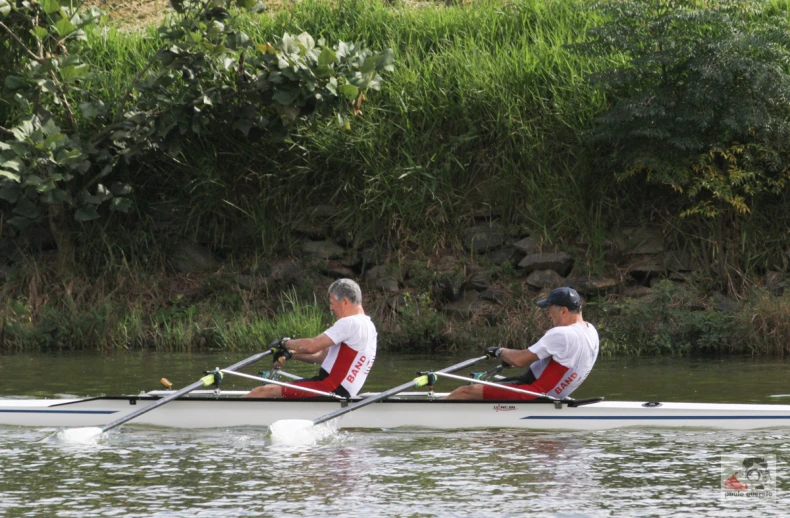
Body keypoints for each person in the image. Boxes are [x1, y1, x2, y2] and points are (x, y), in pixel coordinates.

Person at [445, 287, 598, 400]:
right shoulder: (591, 331)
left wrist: (499, 351)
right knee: (481, 389)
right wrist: (510, 358)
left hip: (534, 393)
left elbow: (520, 360)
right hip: (551, 392)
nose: (549, 315)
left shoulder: (562, 334)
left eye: (550, 310)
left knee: (464, 392)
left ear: (564, 311)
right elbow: (564, 361)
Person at [244, 278, 377, 399]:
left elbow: (311, 346)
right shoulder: (369, 327)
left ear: (345, 302)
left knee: (262, 392)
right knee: (272, 389)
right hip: (340, 391)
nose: (331, 308)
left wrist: (283, 342)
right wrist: (290, 354)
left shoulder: (350, 323)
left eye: (332, 303)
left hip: (327, 388)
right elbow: (322, 356)